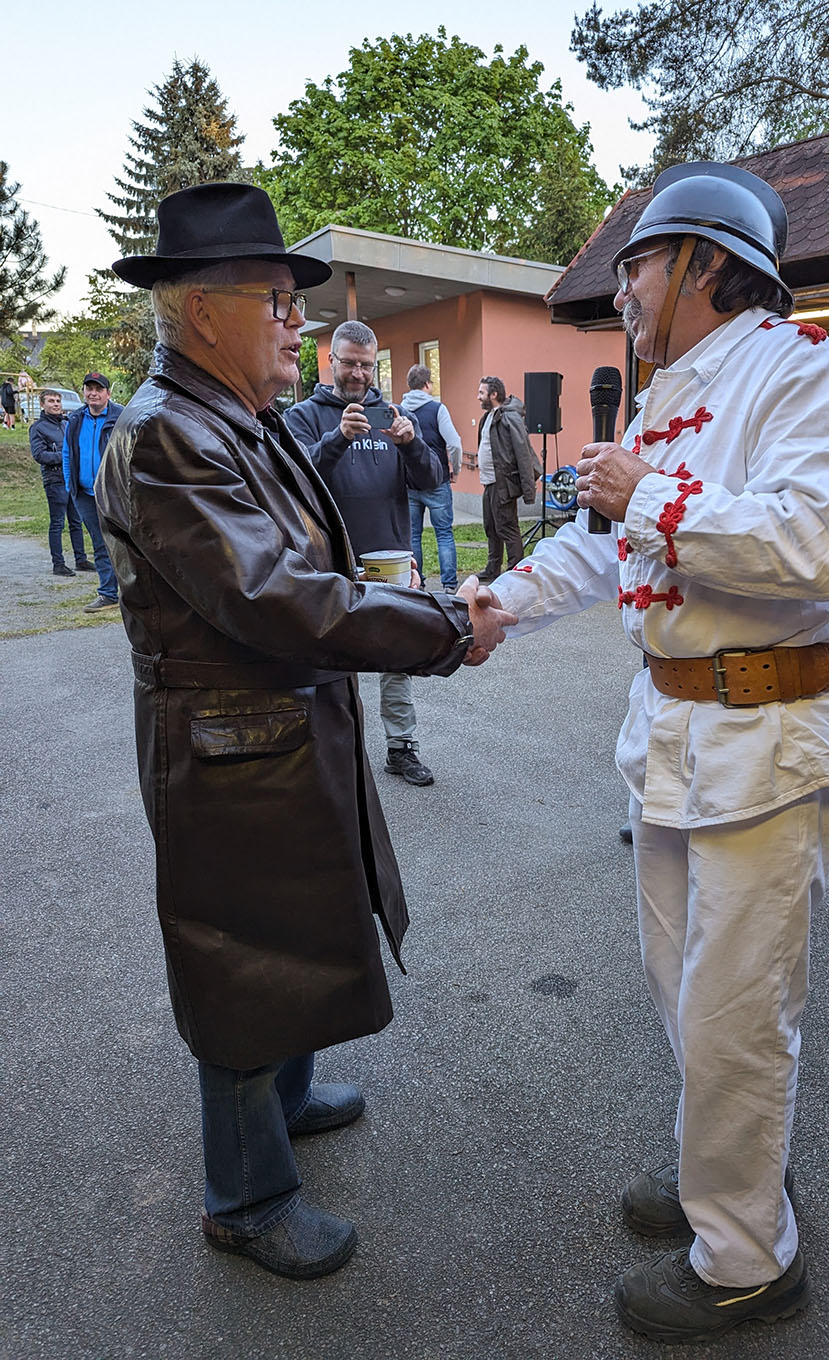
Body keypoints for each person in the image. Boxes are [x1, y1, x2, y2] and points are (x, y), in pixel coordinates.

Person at [480, 163, 829, 1343]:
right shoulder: (665, 397)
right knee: (684, 989)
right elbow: (607, 546)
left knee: (734, 1007)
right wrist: (500, 601)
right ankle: (734, 1170)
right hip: (673, 734)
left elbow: (818, 546)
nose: (623, 292)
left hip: (768, 736)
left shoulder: (797, 368)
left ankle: (748, 1258)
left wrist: (651, 492)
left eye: (638, 267)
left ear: (706, 264)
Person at [95, 181, 514, 1282]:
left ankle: (282, 1104)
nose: (299, 323)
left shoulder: (230, 417)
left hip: (271, 730)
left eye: (297, 303)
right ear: (201, 310)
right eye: (278, 301)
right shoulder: (165, 432)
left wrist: (409, 603)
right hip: (224, 748)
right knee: (239, 959)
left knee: (293, 928)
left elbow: (306, 572)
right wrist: (441, 625)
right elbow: (276, 595)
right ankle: (246, 1196)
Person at [284, 323, 444, 787]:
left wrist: (412, 444)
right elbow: (292, 478)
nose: (357, 373)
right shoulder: (303, 416)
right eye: (349, 363)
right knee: (330, 663)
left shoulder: (392, 414)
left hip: (390, 559)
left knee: (395, 658)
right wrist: (337, 438)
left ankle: (401, 747)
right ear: (331, 360)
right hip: (328, 563)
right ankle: (330, 754)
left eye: (367, 365)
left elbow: (432, 479)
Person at [62, 372, 123, 612]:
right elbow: (67, 453)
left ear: (108, 393)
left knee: (125, 542)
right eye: (89, 389)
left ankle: (137, 593)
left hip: (114, 493)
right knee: (99, 543)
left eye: (99, 389)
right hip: (84, 494)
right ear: (84, 392)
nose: (93, 393)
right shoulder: (75, 419)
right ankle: (108, 594)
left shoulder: (121, 417)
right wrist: (71, 486)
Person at [400, 363, 462, 593]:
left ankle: (417, 584)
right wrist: (455, 469)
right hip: (437, 480)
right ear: (427, 384)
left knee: (413, 535)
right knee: (444, 533)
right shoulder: (437, 409)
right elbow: (454, 443)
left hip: (408, 483)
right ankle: (449, 585)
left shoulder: (399, 410)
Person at [476, 376, 539, 581]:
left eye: (482, 393)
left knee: (507, 527)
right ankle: (493, 568)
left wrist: (528, 490)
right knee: (491, 527)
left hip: (503, 483)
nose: (478, 397)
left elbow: (523, 453)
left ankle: (514, 571)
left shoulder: (509, 418)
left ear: (493, 394)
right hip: (489, 483)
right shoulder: (488, 417)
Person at [28, 388, 94, 576]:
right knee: (57, 523)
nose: (56, 404)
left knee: (76, 521)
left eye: (58, 401)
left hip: (72, 478)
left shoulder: (66, 423)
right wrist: (65, 456)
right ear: (42, 404)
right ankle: (58, 564)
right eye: (51, 401)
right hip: (55, 479)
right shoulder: (38, 428)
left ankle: (81, 560)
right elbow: (39, 455)